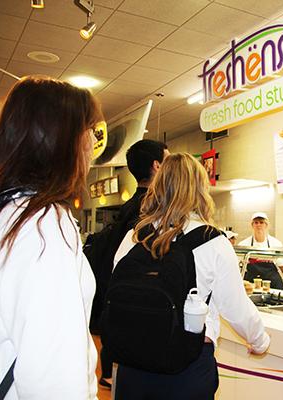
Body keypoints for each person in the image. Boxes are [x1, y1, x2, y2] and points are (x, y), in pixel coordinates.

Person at [0, 76, 103, 399]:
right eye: (89, 134)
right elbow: (54, 381)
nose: (91, 146)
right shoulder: (43, 225)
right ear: (62, 140)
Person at [112, 153, 270, 399]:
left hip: (133, 365)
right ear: (199, 189)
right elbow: (235, 306)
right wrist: (260, 341)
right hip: (187, 367)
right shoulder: (213, 241)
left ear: (158, 186)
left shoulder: (135, 236)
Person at [94, 139, 169, 389]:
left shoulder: (129, 205)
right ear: (158, 166)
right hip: (139, 307)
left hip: (117, 297)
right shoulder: (153, 209)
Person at [238, 213, 283, 291]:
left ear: (266, 225)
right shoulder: (244, 244)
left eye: (261, 222)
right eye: (256, 222)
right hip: (251, 285)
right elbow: (237, 266)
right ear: (252, 225)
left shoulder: (275, 243)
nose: (258, 225)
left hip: (273, 283)